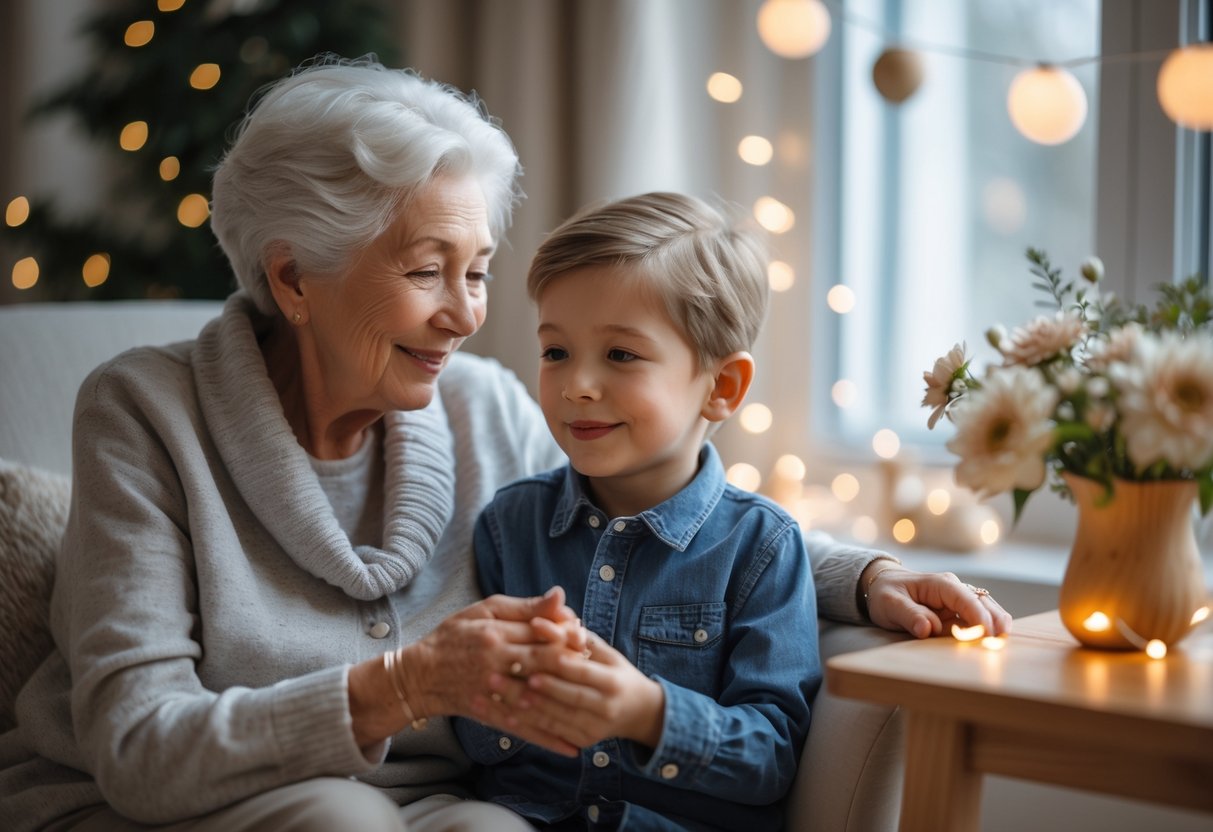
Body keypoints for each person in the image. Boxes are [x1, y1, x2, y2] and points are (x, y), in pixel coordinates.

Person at [0, 57, 1009, 832]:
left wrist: (860, 574)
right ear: (296, 278)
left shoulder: (479, 405)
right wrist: (400, 687)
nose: (463, 317)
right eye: (428, 270)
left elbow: (645, 512)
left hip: (431, 802)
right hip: (162, 801)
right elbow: (136, 745)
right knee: (338, 818)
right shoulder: (144, 411)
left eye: (477, 272)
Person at [455, 192, 820, 831]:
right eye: (555, 352)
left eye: (621, 355)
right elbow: (471, 738)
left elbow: (772, 758)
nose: (577, 385)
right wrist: (499, 691)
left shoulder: (761, 546)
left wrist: (649, 713)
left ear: (721, 387)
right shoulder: (509, 527)